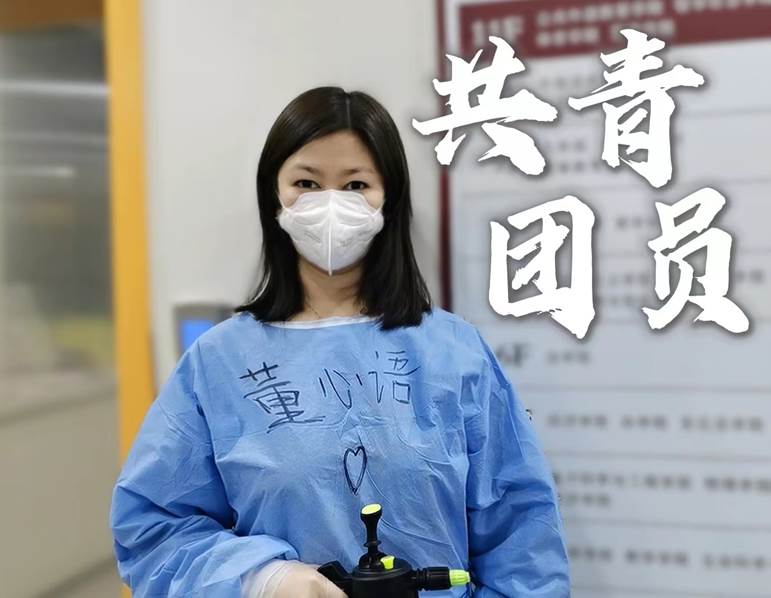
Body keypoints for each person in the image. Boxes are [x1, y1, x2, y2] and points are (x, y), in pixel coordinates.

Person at [109, 86, 571, 597]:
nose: (330, 204)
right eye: (306, 182)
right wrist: (264, 579)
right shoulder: (217, 363)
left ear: (388, 197)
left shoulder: (455, 353)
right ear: (274, 194)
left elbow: (522, 541)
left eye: (355, 185)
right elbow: (154, 530)